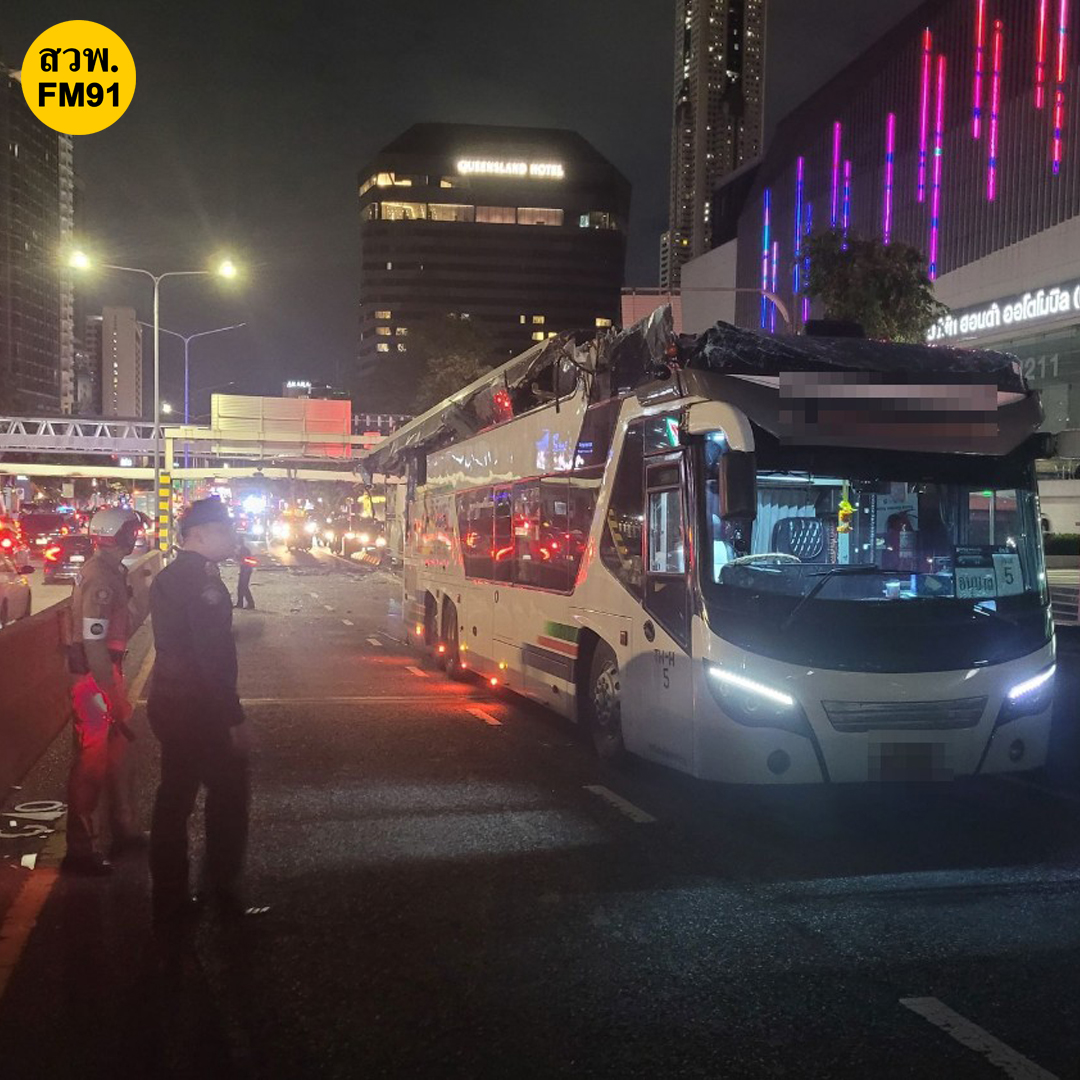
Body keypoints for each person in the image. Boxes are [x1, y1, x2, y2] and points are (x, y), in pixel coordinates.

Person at [147, 498, 267, 925]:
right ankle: (222, 890)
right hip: (200, 709)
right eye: (224, 530)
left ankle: (169, 897)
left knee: (174, 798)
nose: (232, 537)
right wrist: (234, 718)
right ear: (198, 535)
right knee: (228, 797)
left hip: (170, 701)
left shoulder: (169, 576)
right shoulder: (203, 582)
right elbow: (211, 657)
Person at [62, 508, 145, 876]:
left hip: (104, 672)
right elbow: (94, 642)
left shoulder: (110, 571)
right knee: (91, 763)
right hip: (94, 679)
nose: (135, 537)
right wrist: (112, 693)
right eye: (131, 531)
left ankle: (123, 830)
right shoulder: (101, 578)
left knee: (118, 755)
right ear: (118, 535)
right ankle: (80, 850)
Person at [235, 543, 256, 609]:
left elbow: (248, 560)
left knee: (244, 586)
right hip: (244, 569)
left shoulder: (244, 550)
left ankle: (250, 603)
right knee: (240, 587)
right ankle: (240, 603)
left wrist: (241, 559)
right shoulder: (240, 550)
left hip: (246, 569)